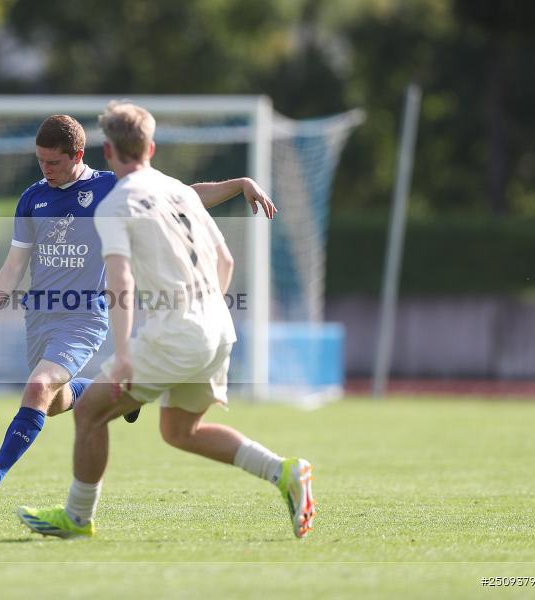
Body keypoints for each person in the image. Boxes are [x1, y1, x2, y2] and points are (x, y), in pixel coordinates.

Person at [16, 101, 314, 539]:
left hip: (177, 333)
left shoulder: (116, 203)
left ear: (108, 152)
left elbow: (120, 282)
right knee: (180, 431)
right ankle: (285, 471)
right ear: (151, 148)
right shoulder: (176, 191)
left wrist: (122, 355)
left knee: (90, 412)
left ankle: (77, 517)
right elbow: (226, 261)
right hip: (217, 329)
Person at [0, 113, 276, 504]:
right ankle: (111, 392)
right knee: (51, 398)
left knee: (38, 386)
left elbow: (185, 196)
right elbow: (14, 265)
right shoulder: (32, 198)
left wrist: (239, 185)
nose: (46, 169)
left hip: (84, 317)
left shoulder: (111, 188)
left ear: (78, 154)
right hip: (40, 317)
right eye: (41, 160)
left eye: (54, 162)